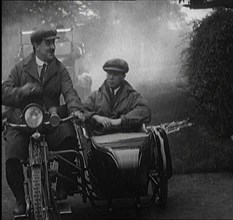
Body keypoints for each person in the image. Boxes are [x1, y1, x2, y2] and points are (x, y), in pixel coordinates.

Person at [2, 25, 85, 216]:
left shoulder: (59, 68)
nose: (53, 47)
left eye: (54, 43)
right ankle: (20, 200)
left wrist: (76, 110)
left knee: (69, 138)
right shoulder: (20, 68)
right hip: (24, 123)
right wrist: (21, 92)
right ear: (35, 46)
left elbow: (69, 91)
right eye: (48, 43)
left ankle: (63, 186)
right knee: (12, 153)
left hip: (50, 121)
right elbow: (4, 91)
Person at [83, 58, 151, 135]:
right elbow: (80, 110)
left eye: (115, 74)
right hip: (99, 142)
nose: (111, 77)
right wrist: (96, 117)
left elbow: (145, 111)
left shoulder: (132, 96)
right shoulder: (95, 96)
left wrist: (119, 121)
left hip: (126, 140)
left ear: (123, 76)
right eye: (109, 74)